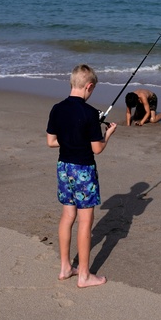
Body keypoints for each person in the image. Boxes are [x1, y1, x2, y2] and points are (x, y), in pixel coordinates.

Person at [46, 64, 117, 288]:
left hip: (63, 167)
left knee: (67, 216)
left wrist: (71, 140)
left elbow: (51, 142)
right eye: (92, 90)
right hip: (83, 169)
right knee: (86, 221)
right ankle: (84, 275)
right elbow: (97, 149)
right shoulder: (89, 113)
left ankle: (65, 267)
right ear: (89, 86)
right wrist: (108, 134)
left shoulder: (57, 108)